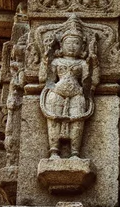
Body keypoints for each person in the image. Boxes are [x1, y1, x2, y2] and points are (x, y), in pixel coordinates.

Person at [39, 16, 97, 159]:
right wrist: (46, 61)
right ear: (61, 45)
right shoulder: (56, 61)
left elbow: (93, 83)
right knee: (54, 120)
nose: (72, 46)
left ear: (82, 47)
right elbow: (45, 80)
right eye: (68, 43)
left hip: (77, 94)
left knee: (77, 122)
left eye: (76, 43)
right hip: (57, 93)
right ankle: (54, 151)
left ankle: (75, 152)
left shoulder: (83, 63)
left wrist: (94, 63)